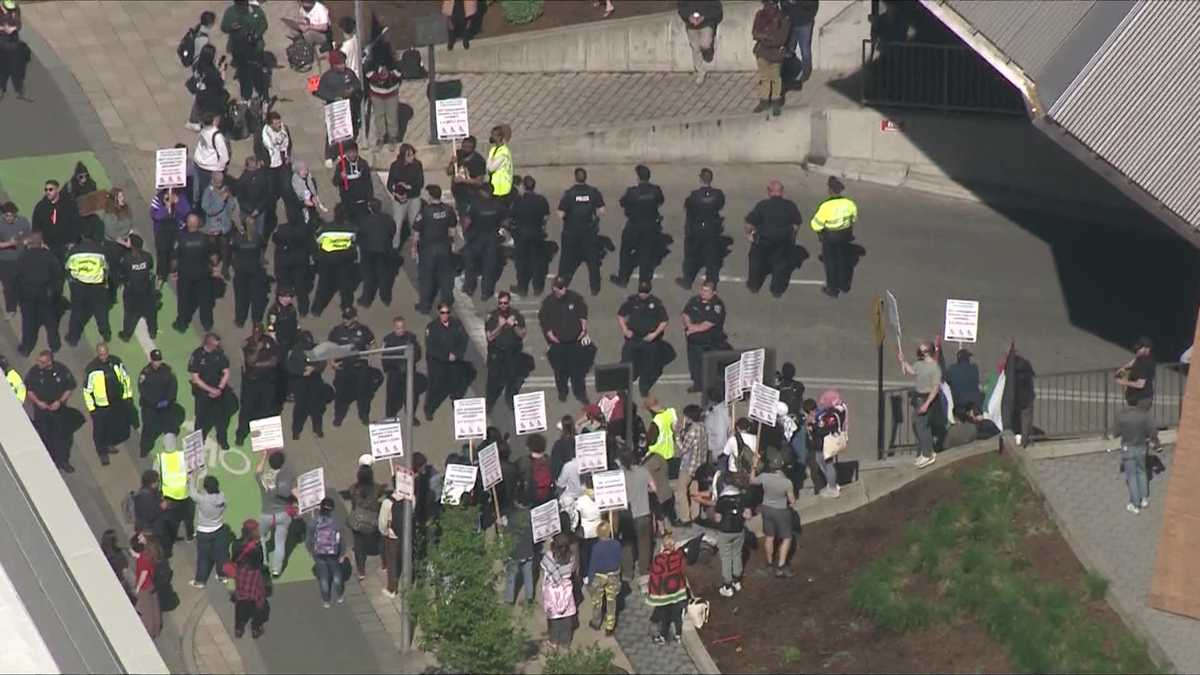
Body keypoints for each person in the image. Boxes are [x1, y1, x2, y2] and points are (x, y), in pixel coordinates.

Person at [745, 179, 802, 297]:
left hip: (763, 241)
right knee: (780, 266)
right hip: (782, 242)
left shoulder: (762, 205)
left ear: (769, 191)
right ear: (782, 191)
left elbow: (750, 222)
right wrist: (792, 237)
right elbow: (796, 225)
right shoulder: (790, 206)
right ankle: (777, 290)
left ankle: (754, 286)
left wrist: (749, 234)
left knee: (755, 262)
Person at [540, 278, 592, 404]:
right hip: (558, 343)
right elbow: (543, 319)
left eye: (564, 287)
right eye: (560, 288)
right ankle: (562, 392)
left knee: (577, 371)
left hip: (575, 341)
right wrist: (549, 334)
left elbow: (583, 310)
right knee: (559, 371)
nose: (563, 290)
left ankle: (580, 393)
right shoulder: (548, 303)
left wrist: (584, 327)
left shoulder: (574, 298)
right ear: (554, 289)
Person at [612, 165, 665, 289]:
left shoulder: (632, 192)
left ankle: (623, 279)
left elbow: (622, 202)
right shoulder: (655, 190)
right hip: (650, 226)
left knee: (625, 251)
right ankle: (644, 281)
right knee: (646, 254)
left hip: (634, 226)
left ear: (638, 177)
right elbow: (661, 201)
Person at [82, 342, 134, 465]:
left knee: (113, 425)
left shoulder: (116, 362)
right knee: (100, 430)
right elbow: (87, 391)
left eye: (105, 354)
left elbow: (125, 379)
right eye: (101, 354)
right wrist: (92, 408)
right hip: (101, 406)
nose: (103, 357)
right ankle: (102, 452)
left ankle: (109, 444)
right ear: (97, 353)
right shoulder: (92, 369)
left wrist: (127, 396)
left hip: (116, 402)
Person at [556, 168, 606, 296]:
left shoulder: (569, 194)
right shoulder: (593, 192)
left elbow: (560, 214)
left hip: (571, 232)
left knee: (566, 260)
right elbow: (602, 211)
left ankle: (561, 284)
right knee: (592, 261)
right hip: (588, 232)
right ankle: (595, 288)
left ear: (575, 178)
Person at [25, 350, 76, 472]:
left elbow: (70, 387)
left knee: (64, 436)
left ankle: (63, 461)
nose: (39, 363)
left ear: (49, 362)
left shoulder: (61, 370)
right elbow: (29, 390)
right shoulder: (34, 372)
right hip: (42, 411)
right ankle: (49, 461)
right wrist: (38, 402)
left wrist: (60, 401)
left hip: (59, 409)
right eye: (38, 360)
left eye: (42, 362)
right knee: (45, 436)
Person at [14, 231, 63, 356]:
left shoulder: (23, 256)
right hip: (45, 293)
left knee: (28, 321)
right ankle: (54, 344)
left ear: (30, 242)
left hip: (27, 294)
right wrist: (54, 291)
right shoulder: (49, 256)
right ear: (42, 242)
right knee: (50, 320)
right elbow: (57, 275)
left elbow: (17, 275)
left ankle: (26, 347)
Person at [411, 184, 458, 313]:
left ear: (430, 196)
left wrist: (414, 248)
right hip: (444, 248)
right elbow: (452, 230)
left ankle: (425, 305)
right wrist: (451, 244)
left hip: (427, 250)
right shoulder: (448, 210)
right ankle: (447, 301)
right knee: (445, 277)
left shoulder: (424, 211)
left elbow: (416, 232)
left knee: (426, 278)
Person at [677, 168, 726, 289]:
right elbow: (720, 205)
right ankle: (711, 282)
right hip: (711, 229)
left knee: (690, 256)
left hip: (696, 229)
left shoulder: (694, 195)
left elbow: (688, 208)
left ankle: (687, 281)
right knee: (712, 258)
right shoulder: (718, 194)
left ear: (700, 179)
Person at [618, 281, 669, 395]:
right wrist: (625, 330)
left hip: (649, 341)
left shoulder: (656, 304)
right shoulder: (632, 301)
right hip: (633, 338)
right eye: (641, 292)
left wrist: (654, 334)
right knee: (626, 361)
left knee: (649, 365)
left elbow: (664, 321)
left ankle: (644, 386)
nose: (643, 294)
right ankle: (622, 385)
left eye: (645, 292)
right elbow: (620, 315)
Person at [810, 176, 858, 297]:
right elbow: (854, 218)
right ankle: (844, 285)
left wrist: (820, 234)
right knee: (842, 260)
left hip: (830, 237)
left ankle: (832, 289)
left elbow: (815, 224)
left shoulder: (825, 206)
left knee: (830, 263)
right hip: (844, 236)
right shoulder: (849, 203)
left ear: (830, 191)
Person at [329, 306, 375, 426]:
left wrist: (370, 357)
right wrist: (331, 362)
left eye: (349, 318)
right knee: (340, 394)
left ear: (355, 318)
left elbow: (372, 344)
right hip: (343, 367)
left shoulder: (364, 330)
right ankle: (338, 416)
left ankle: (364, 415)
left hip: (360, 367)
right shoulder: (337, 331)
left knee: (363, 394)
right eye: (344, 318)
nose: (346, 321)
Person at [236, 324, 281, 447]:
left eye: (259, 332)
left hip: (267, 381)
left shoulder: (269, 341)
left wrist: (259, 365)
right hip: (251, 382)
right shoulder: (247, 344)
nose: (257, 334)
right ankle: (241, 435)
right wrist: (257, 350)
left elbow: (274, 361)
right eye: (255, 332)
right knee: (246, 410)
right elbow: (250, 361)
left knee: (265, 410)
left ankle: (261, 438)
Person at [64, 231, 112, 345]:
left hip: (79, 286)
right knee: (101, 313)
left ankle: (73, 338)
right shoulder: (100, 250)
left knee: (76, 313)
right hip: (97, 286)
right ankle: (106, 334)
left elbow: (67, 268)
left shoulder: (74, 251)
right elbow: (106, 268)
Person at [751, 455, 796, 577]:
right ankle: (781, 566)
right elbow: (792, 501)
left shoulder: (764, 477)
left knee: (769, 537)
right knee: (787, 538)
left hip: (766, 509)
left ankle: (769, 564)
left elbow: (752, 480)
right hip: (781, 510)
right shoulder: (787, 482)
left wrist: (754, 466)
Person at [173, 213, 218, 333]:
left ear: (188, 224)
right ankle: (207, 323)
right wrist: (213, 267)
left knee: (183, 300)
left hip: (185, 274)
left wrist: (173, 271)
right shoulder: (205, 239)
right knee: (205, 300)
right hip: (203, 274)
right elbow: (214, 258)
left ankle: (182, 324)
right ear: (198, 224)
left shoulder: (181, 239)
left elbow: (174, 260)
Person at [898, 342, 941, 469]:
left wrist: (927, 404)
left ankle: (928, 455)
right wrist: (903, 361)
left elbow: (935, 389)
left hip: (927, 399)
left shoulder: (934, 368)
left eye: (922, 350)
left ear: (928, 352)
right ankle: (925, 452)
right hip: (918, 398)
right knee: (918, 426)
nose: (919, 351)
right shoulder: (920, 363)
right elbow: (911, 371)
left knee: (923, 427)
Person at [424, 302, 471, 419]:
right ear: (439, 313)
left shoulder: (457, 324)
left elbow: (464, 340)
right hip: (437, 361)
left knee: (457, 383)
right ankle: (429, 408)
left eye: (447, 312)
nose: (445, 315)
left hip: (454, 360)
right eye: (442, 313)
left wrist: (456, 354)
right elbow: (431, 347)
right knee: (436, 386)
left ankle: (456, 404)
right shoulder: (432, 327)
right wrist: (446, 356)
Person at [315, 50, 362, 166]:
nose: (343, 65)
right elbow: (320, 92)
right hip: (334, 109)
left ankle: (346, 150)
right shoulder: (327, 77)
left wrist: (352, 90)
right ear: (333, 65)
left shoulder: (349, 73)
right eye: (340, 63)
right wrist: (335, 97)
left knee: (348, 131)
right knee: (333, 132)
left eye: (343, 63)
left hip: (348, 108)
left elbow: (357, 84)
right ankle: (330, 155)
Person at [681, 282, 729, 392]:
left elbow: (707, 325)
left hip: (710, 342)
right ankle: (698, 384)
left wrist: (691, 329)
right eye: (702, 290)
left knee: (711, 366)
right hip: (693, 342)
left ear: (714, 292)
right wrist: (689, 325)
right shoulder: (695, 300)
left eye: (707, 291)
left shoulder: (717, 306)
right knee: (694, 365)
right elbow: (685, 314)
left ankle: (713, 387)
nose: (703, 293)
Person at [460, 183, 505, 300]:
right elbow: (503, 222)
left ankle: (469, 287)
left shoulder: (475, 204)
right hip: (491, 239)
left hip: (476, 238)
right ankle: (486, 292)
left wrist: (466, 232)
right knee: (489, 267)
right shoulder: (497, 205)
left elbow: (467, 221)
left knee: (470, 264)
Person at [619, 449, 657, 587]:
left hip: (627, 515)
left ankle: (628, 572)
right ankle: (644, 571)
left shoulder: (620, 475)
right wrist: (643, 490)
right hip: (643, 513)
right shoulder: (643, 471)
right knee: (644, 544)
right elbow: (654, 488)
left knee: (627, 544)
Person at [189, 332, 232, 450]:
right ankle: (198, 441)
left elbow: (226, 372)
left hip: (218, 393)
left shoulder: (219, 354)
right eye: (215, 344)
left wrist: (219, 389)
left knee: (221, 419)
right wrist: (210, 389)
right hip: (202, 393)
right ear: (208, 343)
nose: (217, 346)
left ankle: (222, 439)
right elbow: (195, 378)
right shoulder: (197, 355)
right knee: (200, 418)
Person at [1112, 398, 1156, 514]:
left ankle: (1135, 504)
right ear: (1137, 402)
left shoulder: (1121, 415)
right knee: (1142, 472)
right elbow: (1152, 431)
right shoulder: (1144, 415)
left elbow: (1115, 433)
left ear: (1127, 401)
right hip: (1141, 447)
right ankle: (1144, 499)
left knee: (1131, 477)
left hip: (1128, 447)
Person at [257, 450, 297, 578]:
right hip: (283, 514)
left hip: (266, 514)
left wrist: (263, 456)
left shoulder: (263, 478)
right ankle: (276, 570)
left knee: (261, 537)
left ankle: (263, 561)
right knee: (280, 543)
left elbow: (257, 471)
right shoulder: (285, 480)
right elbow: (295, 492)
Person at [312, 208, 359, 317]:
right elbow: (355, 242)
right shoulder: (351, 229)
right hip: (345, 262)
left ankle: (317, 309)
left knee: (323, 286)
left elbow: (317, 241)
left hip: (327, 261)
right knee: (346, 288)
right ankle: (347, 308)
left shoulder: (325, 228)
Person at [485, 291, 528, 411]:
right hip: (496, 352)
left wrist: (513, 325)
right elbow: (489, 337)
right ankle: (489, 403)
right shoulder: (492, 316)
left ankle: (510, 400)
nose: (503, 305)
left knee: (512, 377)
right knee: (493, 379)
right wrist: (500, 326)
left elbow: (523, 334)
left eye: (505, 303)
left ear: (509, 302)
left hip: (512, 352)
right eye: (500, 303)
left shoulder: (517, 315)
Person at [509, 175, 551, 296]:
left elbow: (512, 217)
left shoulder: (518, 201)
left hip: (521, 235)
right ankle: (538, 287)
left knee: (521, 262)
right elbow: (546, 217)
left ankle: (522, 288)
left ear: (523, 186)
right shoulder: (541, 200)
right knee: (537, 261)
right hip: (537, 233)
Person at [221, 0, 269, 102]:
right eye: (239, 3)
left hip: (256, 48)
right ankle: (246, 96)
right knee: (243, 74)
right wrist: (231, 27)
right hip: (239, 49)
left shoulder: (256, 11)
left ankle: (261, 94)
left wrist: (256, 35)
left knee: (257, 71)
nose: (241, 5)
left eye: (243, 3)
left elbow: (264, 24)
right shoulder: (230, 12)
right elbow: (224, 27)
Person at [307, 496, 351, 606]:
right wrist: (342, 553)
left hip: (319, 553)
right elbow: (341, 539)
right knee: (337, 574)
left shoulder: (314, 521)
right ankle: (339, 596)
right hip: (333, 553)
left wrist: (311, 550)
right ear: (332, 509)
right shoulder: (336, 521)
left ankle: (326, 600)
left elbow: (309, 539)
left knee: (323, 577)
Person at [229, 520, 269, 639]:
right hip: (253, 575)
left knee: (241, 601)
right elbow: (260, 563)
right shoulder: (256, 546)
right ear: (253, 532)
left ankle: (238, 628)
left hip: (241, 574)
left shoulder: (236, 543)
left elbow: (234, 558)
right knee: (258, 601)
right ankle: (256, 628)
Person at [1116, 337, 1159, 446]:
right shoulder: (1142, 356)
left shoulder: (1146, 364)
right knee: (1138, 421)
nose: (1137, 351)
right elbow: (1134, 361)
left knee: (1138, 423)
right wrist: (1124, 368)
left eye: (1140, 348)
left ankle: (1150, 441)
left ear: (1147, 349)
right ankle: (1145, 440)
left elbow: (1140, 384)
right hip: (1136, 397)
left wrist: (1124, 382)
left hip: (1143, 398)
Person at [228, 213, 269, 327]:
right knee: (257, 296)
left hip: (241, 269)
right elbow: (263, 245)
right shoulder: (258, 238)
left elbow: (232, 250)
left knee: (241, 297)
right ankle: (256, 320)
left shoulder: (237, 238)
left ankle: (240, 320)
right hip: (255, 269)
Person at [255, 111, 292, 237]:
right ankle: (270, 215)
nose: (278, 125)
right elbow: (257, 147)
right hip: (269, 164)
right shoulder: (262, 132)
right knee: (270, 191)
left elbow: (288, 143)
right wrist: (260, 158)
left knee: (286, 187)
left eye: (279, 122)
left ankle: (290, 212)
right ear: (269, 124)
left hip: (282, 163)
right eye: (275, 123)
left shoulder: (284, 129)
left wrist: (288, 155)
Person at [647, 532, 688, 644]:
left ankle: (663, 637)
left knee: (665, 615)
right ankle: (678, 635)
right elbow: (683, 569)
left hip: (664, 593)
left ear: (663, 546)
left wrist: (652, 592)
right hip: (677, 591)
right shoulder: (679, 556)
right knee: (677, 615)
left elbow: (655, 576)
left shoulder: (658, 559)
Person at [751, 0, 790, 116]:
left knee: (775, 78)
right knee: (764, 78)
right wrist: (765, 37)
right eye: (767, 3)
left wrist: (765, 38)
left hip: (775, 53)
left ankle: (775, 102)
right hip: (762, 52)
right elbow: (754, 33)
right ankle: (764, 101)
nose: (768, 6)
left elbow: (781, 38)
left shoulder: (784, 17)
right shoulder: (760, 15)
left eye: (771, 3)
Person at [189, 474, 229, 588]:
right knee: (221, 555)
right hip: (218, 529)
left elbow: (192, 493)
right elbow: (224, 507)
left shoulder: (202, 499)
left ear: (206, 488)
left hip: (204, 532)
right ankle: (222, 576)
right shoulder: (221, 497)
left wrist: (192, 479)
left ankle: (200, 581)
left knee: (203, 557)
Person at [137, 349, 178, 459]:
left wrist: (168, 400)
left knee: (170, 427)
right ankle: (144, 449)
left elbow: (173, 386)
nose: (157, 363)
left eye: (159, 360)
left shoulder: (167, 370)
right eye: (155, 360)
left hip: (166, 406)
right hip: (150, 408)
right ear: (151, 360)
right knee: (148, 430)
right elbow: (143, 391)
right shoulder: (145, 373)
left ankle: (170, 448)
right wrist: (155, 403)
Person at [382, 316, 423, 423]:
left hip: (408, 372)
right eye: (398, 327)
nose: (400, 330)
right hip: (394, 373)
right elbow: (385, 358)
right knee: (392, 398)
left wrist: (410, 360)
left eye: (402, 327)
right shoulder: (388, 340)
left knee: (411, 397)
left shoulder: (411, 338)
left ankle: (410, 416)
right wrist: (396, 366)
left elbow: (418, 353)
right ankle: (390, 417)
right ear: (394, 327)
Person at [287, 329, 327, 440]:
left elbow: (323, 363)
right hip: (300, 382)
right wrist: (302, 371)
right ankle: (296, 431)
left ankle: (317, 430)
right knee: (300, 409)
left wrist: (314, 369)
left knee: (317, 408)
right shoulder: (295, 352)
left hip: (315, 381)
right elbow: (290, 367)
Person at [348, 463, 385, 580]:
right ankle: (385, 563)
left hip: (358, 521)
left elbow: (353, 505)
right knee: (380, 540)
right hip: (373, 520)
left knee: (359, 545)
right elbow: (380, 495)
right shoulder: (376, 488)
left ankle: (361, 570)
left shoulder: (353, 489)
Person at [115, 234, 156, 341]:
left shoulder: (126, 258)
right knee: (150, 313)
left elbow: (121, 273)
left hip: (131, 291)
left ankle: (126, 335)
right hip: (147, 289)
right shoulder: (147, 256)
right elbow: (150, 267)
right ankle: (152, 332)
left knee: (129, 314)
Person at [357, 198, 397, 307]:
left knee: (368, 277)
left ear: (370, 208)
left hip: (368, 251)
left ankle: (366, 300)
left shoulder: (365, 220)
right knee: (384, 275)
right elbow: (393, 230)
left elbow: (359, 235)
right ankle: (386, 298)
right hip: (384, 250)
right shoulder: (387, 219)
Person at [541, 532, 578, 650]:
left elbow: (543, 564)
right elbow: (571, 571)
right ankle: (566, 642)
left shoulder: (549, 556)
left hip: (552, 590)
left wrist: (547, 545)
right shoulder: (571, 557)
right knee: (567, 616)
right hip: (566, 589)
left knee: (554, 617)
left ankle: (553, 641)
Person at [713, 470, 747, 596]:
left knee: (726, 557)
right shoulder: (741, 497)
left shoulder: (722, 500)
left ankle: (727, 585)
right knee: (737, 554)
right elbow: (747, 514)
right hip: (739, 530)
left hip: (725, 532)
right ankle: (737, 580)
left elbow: (718, 519)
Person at [272, 216, 313, 317]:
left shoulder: (281, 228)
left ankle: (280, 308)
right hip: (299, 263)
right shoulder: (304, 230)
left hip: (284, 262)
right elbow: (311, 245)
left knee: (283, 287)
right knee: (301, 288)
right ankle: (303, 310)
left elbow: (275, 239)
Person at [32, 178, 80, 264]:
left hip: (65, 246)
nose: (48, 192)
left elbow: (76, 224)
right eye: (46, 189)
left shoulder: (69, 205)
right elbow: (36, 226)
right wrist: (40, 243)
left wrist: (72, 242)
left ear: (57, 190)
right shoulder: (41, 207)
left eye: (51, 189)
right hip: (47, 246)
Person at [200, 171, 237, 278]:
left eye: (221, 181)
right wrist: (221, 200)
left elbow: (232, 205)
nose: (220, 184)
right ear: (213, 180)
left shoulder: (226, 189)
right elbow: (208, 210)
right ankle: (211, 267)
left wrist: (229, 202)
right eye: (218, 182)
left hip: (224, 226)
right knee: (212, 248)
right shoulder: (208, 192)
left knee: (225, 248)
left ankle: (225, 269)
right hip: (213, 226)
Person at [387, 144, 424, 248]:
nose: (412, 157)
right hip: (399, 199)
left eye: (413, 154)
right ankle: (395, 247)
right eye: (409, 155)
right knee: (397, 224)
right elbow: (390, 184)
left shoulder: (417, 165)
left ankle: (416, 247)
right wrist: (396, 193)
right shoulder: (395, 166)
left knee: (414, 224)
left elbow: (420, 183)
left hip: (414, 197)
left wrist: (408, 187)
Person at [587, 519, 621, 635]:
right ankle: (610, 626)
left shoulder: (596, 547)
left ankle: (596, 622)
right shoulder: (616, 544)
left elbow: (593, 565)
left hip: (599, 576)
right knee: (611, 601)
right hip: (613, 575)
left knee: (597, 602)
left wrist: (590, 580)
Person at [675, 404, 707, 523]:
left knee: (681, 490)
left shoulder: (692, 432)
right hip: (699, 465)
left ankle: (685, 517)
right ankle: (695, 514)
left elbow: (683, 449)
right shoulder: (702, 428)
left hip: (689, 466)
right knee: (694, 490)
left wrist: (677, 437)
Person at [150, 188, 190, 283]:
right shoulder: (158, 198)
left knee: (175, 253)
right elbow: (154, 215)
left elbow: (186, 212)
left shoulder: (181, 197)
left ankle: (174, 270)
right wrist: (166, 207)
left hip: (177, 231)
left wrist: (177, 202)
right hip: (161, 232)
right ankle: (161, 275)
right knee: (162, 254)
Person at [679, 1, 723, 84]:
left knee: (705, 44)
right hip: (691, 25)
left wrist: (704, 17)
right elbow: (681, 8)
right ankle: (700, 72)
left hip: (706, 23)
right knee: (695, 48)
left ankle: (710, 46)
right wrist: (689, 17)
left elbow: (717, 11)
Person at [502, 498, 536, 606]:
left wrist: (502, 526)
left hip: (515, 552)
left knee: (511, 576)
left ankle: (509, 600)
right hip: (528, 550)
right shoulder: (532, 517)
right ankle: (529, 598)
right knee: (528, 575)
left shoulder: (512, 518)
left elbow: (507, 535)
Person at [367, 53, 403, 150]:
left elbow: (399, 73)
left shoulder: (393, 61)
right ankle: (380, 137)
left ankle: (392, 137)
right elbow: (368, 73)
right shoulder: (371, 60)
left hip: (391, 92)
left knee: (392, 115)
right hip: (376, 92)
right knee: (379, 116)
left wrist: (390, 74)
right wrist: (379, 76)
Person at [187, 44, 227, 131]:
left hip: (199, 90)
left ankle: (193, 121)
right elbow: (221, 84)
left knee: (198, 105)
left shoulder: (197, 63)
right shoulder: (212, 73)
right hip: (209, 96)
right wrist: (222, 71)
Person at [192, 111, 230, 205]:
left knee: (201, 190)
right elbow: (224, 156)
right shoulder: (217, 136)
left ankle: (200, 207)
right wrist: (219, 170)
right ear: (213, 121)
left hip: (203, 165)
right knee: (207, 192)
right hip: (208, 168)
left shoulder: (204, 130)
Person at [0, 201, 30, 313]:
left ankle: (24, 305)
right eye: (4, 215)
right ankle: (11, 309)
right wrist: (9, 243)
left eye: (9, 215)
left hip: (21, 259)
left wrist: (26, 241)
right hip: (4, 261)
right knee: (8, 287)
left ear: (15, 214)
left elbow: (30, 237)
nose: (6, 218)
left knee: (21, 284)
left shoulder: (24, 222)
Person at [132, 534, 164, 640]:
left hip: (145, 586)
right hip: (152, 584)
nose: (139, 538)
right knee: (155, 607)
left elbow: (144, 573)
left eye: (141, 537)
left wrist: (138, 587)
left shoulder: (145, 557)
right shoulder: (151, 551)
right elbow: (143, 559)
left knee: (147, 611)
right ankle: (157, 628)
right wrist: (135, 555)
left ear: (146, 539)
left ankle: (150, 633)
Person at [332, 141, 373, 221]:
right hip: (348, 202)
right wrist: (340, 177)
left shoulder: (363, 163)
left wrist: (370, 198)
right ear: (346, 153)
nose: (352, 154)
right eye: (349, 152)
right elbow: (335, 182)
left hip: (362, 202)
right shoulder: (341, 165)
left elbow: (368, 182)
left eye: (354, 152)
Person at [378, 479, 405, 598]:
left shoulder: (387, 502)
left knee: (392, 561)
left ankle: (392, 589)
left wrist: (385, 533)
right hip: (406, 534)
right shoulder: (411, 497)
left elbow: (383, 522)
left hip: (392, 536)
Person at [782, 0, 818, 84]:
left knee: (805, 50)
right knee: (789, 49)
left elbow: (813, 4)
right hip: (790, 23)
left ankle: (806, 73)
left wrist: (796, 2)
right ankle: (788, 71)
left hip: (805, 23)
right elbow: (783, 4)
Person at [0, 0, 30, 101]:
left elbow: (19, 24)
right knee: (2, 70)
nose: (10, 11)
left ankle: (20, 92)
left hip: (14, 44)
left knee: (17, 70)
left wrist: (13, 28)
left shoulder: (15, 8)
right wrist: (3, 29)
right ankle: (1, 90)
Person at [237, 156, 272, 239]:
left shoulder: (261, 178)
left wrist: (256, 210)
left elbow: (266, 194)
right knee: (252, 233)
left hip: (254, 210)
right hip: (252, 210)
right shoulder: (243, 180)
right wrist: (255, 210)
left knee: (254, 233)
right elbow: (240, 198)